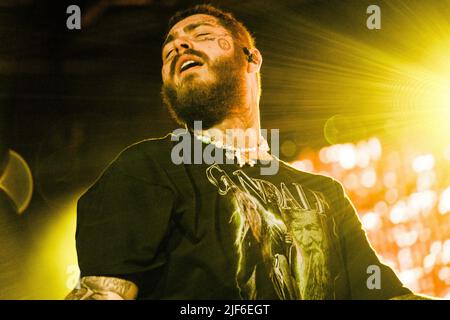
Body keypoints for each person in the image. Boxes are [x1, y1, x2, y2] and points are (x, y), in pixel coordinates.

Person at [65, 4, 429, 300]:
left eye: (202, 36)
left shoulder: (325, 194)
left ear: (251, 59)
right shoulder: (145, 168)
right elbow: (102, 292)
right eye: (168, 49)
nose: (179, 47)